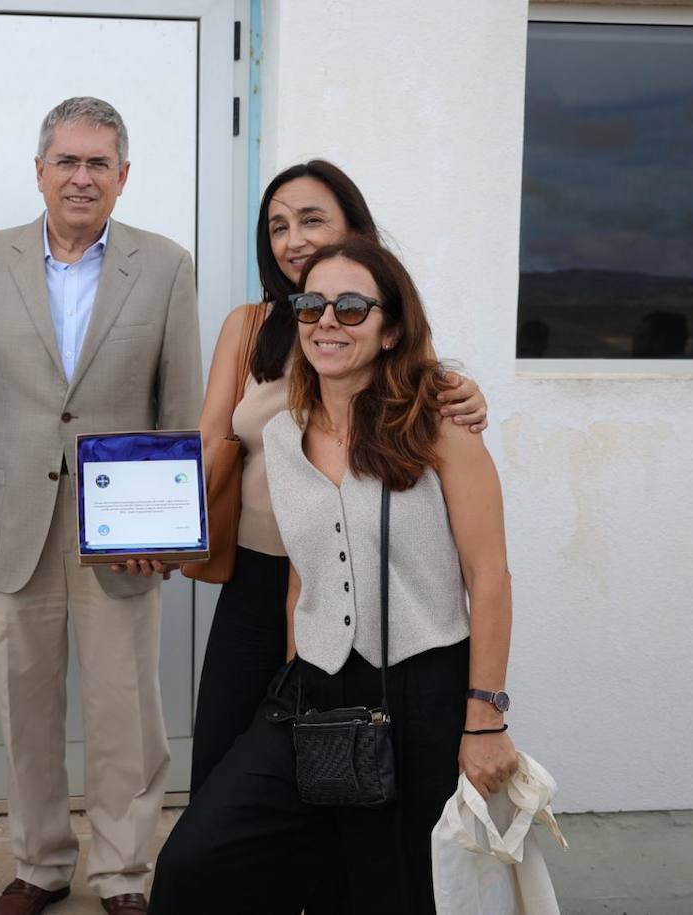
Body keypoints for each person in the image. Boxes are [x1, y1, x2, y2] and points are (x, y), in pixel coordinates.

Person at [150, 237, 519, 913]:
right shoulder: (285, 436)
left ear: (391, 328)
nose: (326, 320)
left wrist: (484, 719)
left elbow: (489, 576)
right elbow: (303, 572)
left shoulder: (441, 428)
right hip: (314, 690)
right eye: (312, 304)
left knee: (395, 887)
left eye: (351, 308)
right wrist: (295, 675)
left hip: (423, 691)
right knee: (195, 859)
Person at [0, 96, 201, 915]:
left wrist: (173, 528)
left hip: (122, 533)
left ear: (124, 176)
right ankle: (41, 863)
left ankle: (123, 870)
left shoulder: (165, 266)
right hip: (12, 522)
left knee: (126, 710)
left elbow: (179, 405)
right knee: (27, 706)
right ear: (40, 170)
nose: (81, 177)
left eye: (99, 163)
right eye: (67, 161)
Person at [189, 160, 488, 795]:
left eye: (311, 220)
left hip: (350, 591)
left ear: (354, 227)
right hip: (257, 570)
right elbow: (209, 444)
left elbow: (426, 403)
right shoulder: (248, 328)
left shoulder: (381, 323)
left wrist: (467, 393)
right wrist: (154, 534)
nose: (292, 238)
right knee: (223, 760)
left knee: (344, 762)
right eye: (277, 226)